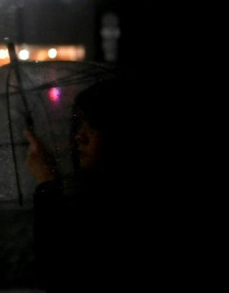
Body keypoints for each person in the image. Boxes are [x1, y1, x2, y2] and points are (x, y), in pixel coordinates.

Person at [24, 78, 143, 293]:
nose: (80, 136)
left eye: (93, 127)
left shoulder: (116, 203)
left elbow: (60, 270)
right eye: (80, 124)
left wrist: (47, 183)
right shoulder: (100, 190)